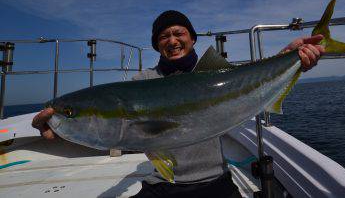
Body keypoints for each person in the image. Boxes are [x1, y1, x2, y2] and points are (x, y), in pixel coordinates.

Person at [32, 10, 325, 198]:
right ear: (156, 45)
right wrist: (59, 133)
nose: (171, 40)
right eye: (163, 36)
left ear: (192, 39)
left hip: (216, 182)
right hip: (162, 185)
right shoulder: (142, 83)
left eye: (178, 33)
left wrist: (289, 57)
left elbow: (253, 76)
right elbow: (109, 135)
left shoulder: (218, 74)